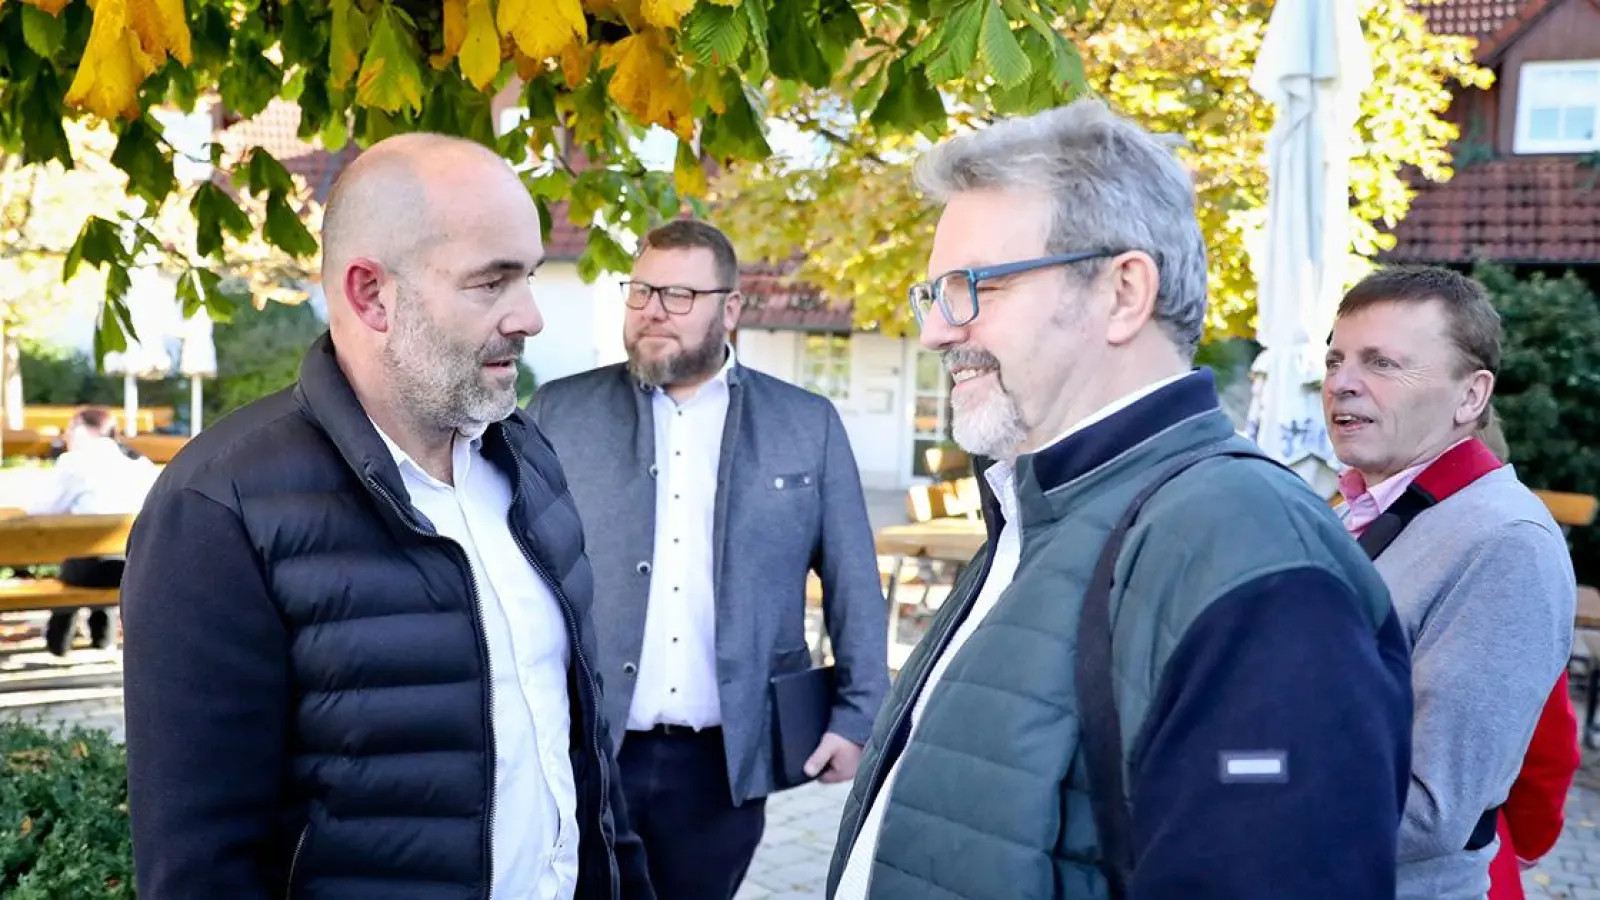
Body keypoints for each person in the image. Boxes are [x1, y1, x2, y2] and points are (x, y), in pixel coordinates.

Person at [825, 98, 1413, 900]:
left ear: (1123, 293)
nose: (936, 331)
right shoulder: (1041, 507)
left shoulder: (1249, 549)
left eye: (970, 288)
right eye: (933, 295)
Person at [118, 132, 652, 900]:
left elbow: (588, 767)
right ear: (372, 295)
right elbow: (202, 869)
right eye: (491, 283)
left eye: (528, 276)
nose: (530, 316)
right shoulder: (220, 509)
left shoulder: (529, 461)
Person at [529, 218, 889, 900]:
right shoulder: (558, 412)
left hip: (726, 759)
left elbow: (854, 582)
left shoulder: (805, 423)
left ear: (731, 308)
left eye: (678, 295)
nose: (653, 310)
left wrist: (857, 716)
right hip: (589, 750)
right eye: (640, 292)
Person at [1323, 265, 1577, 900]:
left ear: (1471, 397)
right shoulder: (1357, 507)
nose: (1342, 384)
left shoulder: (1504, 542)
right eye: (1335, 360)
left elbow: (1431, 810)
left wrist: (1226, 785)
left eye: (1382, 364)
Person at [23, 406, 158, 655]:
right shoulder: (140, 462)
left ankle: (59, 642)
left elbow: (41, 510)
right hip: (136, 566)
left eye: (69, 429)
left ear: (81, 428)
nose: (66, 437)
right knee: (102, 551)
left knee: (79, 558)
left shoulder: (74, 462)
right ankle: (102, 638)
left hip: (91, 569)